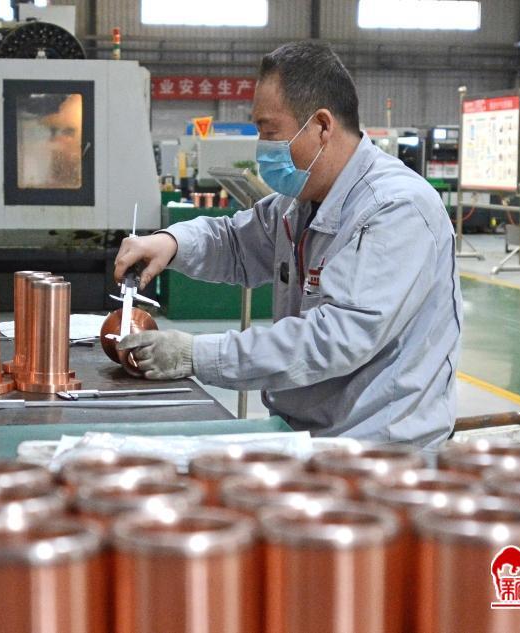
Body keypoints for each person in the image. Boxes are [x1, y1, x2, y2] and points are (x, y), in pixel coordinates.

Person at [114, 41, 462, 448]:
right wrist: (171, 242)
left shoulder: (396, 209)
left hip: (376, 448)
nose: (262, 148)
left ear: (322, 126)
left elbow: (333, 340)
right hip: (308, 434)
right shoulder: (299, 203)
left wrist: (197, 354)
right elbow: (236, 242)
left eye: (270, 132)